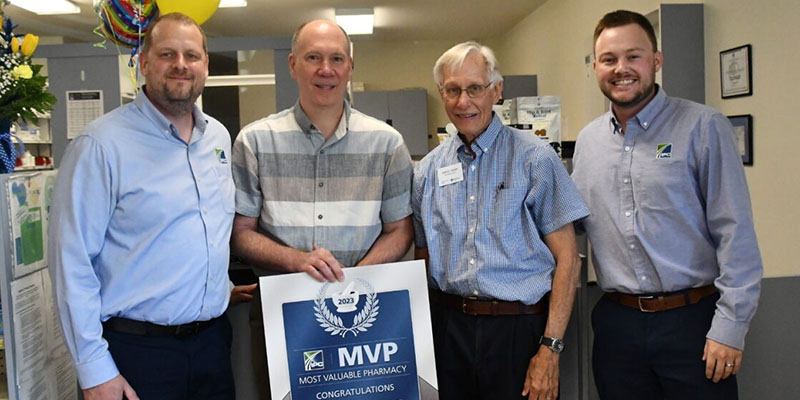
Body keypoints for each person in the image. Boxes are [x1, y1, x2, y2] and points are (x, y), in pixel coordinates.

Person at [49, 13, 253, 400]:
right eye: (167, 54)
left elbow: (197, 227)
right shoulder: (101, 145)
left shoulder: (218, 138)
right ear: (143, 63)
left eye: (192, 55)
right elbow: (71, 262)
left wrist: (216, 288)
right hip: (137, 353)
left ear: (205, 66)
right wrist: (94, 371)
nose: (181, 64)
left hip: (211, 345)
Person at [572, 10, 763, 399]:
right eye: (609, 59)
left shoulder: (703, 127)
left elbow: (735, 232)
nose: (621, 68)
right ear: (595, 67)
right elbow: (573, 221)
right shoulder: (589, 141)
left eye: (634, 56)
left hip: (693, 323)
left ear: (656, 61)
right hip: (616, 327)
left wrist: (729, 329)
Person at [230, 19, 414, 399]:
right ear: (294, 65)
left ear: (350, 68)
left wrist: (355, 282)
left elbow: (401, 231)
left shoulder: (387, 143)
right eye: (313, 57)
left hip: (370, 316)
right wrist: (297, 260)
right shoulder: (255, 141)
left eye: (336, 59)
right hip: (283, 314)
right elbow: (240, 232)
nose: (325, 69)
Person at [411, 41, 589, 400]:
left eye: (475, 88)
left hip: (519, 329)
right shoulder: (427, 170)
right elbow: (422, 256)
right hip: (449, 328)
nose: (464, 101)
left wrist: (550, 349)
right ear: (441, 93)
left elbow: (568, 259)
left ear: (496, 90)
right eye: (453, 90)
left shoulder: (535, 159)